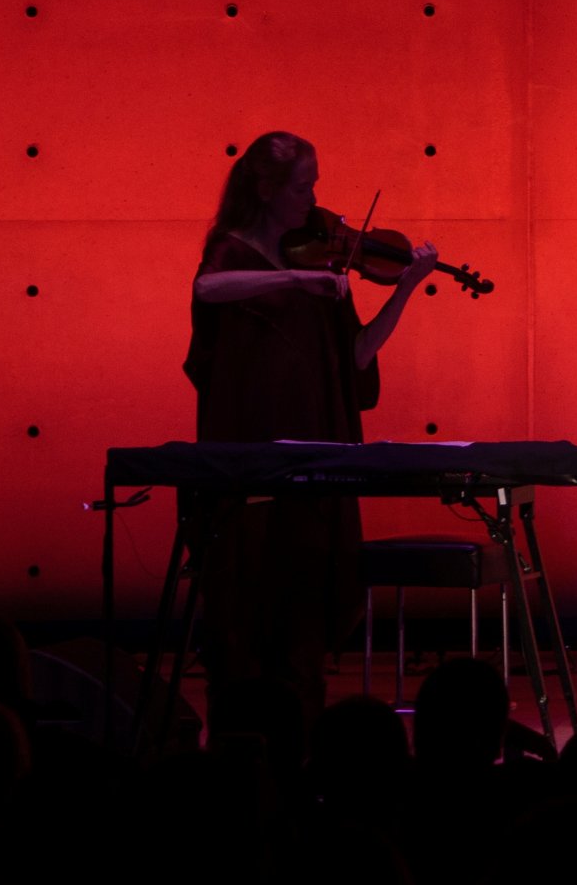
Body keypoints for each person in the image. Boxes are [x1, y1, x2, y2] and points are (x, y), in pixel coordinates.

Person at [185, 133, 437, 732]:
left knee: (302, 625)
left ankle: (302, 748)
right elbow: (206, 288)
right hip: (247, 464)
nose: (315, 200)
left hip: (312, 467)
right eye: (303, 187)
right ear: (266, 189)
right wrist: (295, 282)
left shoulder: (324, 267)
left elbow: (357, 357)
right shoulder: (235, 251)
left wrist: (406, 286)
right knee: (241, 619)